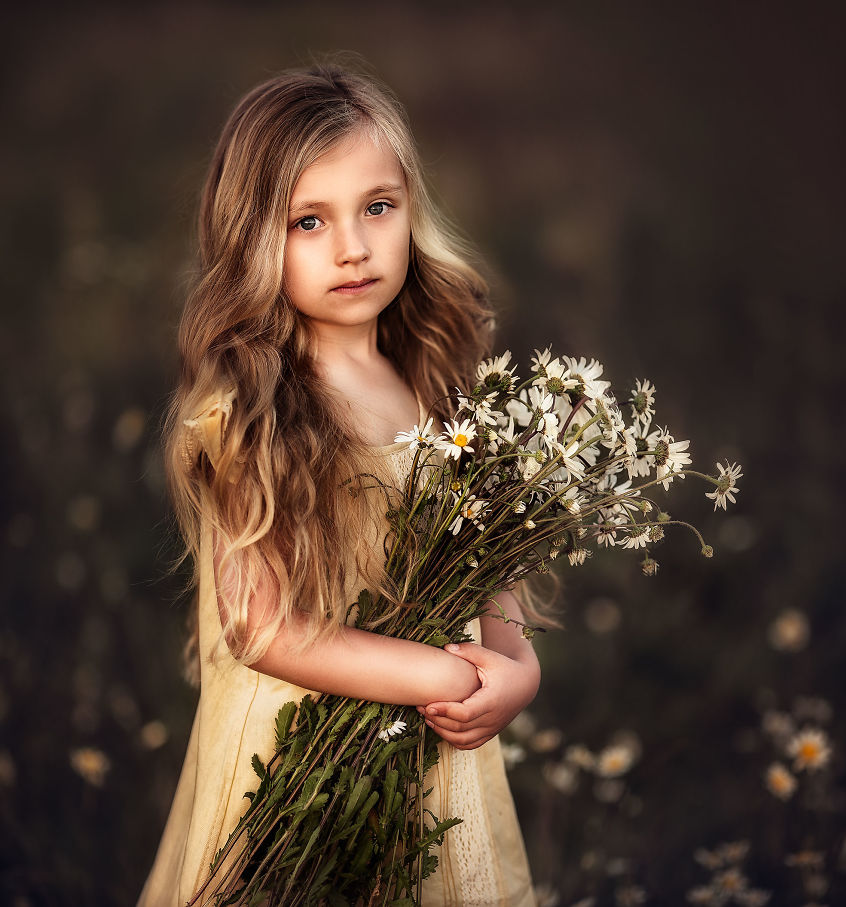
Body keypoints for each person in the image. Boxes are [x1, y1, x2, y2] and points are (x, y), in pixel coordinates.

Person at [138, 63, 549, 907]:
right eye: (309, 221)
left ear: (411, 211)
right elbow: (260, 624)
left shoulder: (442, 381)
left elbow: (489, 572)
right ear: (254, 237)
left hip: (435, 755)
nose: (353, 247)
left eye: (377, 208)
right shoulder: (254, 405)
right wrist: (442, 677)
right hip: (298, 759)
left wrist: (516, 669)